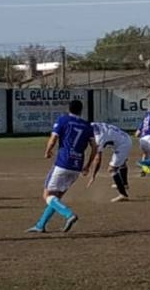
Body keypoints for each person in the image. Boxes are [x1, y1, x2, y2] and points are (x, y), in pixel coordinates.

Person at [26, 100, 96, 233]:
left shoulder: (63, 120)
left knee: (47, 196)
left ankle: (69, 215)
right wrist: (87, 165)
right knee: (56, 197)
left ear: (68, 108)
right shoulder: (87, 126)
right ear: (81, 110)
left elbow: (53, 139)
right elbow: (94, 147)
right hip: (77, 166)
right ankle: (41, 225)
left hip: (63, 163)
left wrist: (47, 151)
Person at [87, 122, 132, 202]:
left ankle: (123, 195)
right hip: (123, 138)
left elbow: (98, 158)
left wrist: (93, 175)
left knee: (112, 169)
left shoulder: (98, 138)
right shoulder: (93, 124)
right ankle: (124, 184)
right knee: (121, 162)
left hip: (123, 144)